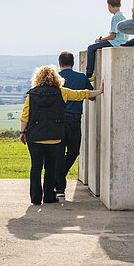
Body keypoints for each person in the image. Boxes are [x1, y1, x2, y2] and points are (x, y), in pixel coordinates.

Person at [20, 65, 104, 205]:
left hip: (34, 137)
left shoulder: (32, 94)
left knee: (35, 167)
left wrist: (22, 133)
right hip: (54, 136)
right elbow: (81, 94)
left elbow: (25, 116)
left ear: (38, 78)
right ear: (56, 78)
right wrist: (100, 91)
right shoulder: (62, 92)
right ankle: (48, 197)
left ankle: (35, 198)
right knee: (50, 167)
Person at [55, 51, 94, 197]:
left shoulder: (55, 78)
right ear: (73, 63)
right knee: (73, 152)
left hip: (56, 121)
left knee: (58, 153)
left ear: (60, 63)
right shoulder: (81, 77)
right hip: (74, 120)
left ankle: (58, 185)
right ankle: (59, 183)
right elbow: (91, 97)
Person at [85, 0, 127, 80]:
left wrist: (100, 39)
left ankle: (89, 75)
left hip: (116, 42)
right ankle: (89, 74)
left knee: (91, 48)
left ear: (110, 6)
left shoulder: (115, 17)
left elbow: (112, 36)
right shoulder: (123, 16)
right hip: (123, 41)